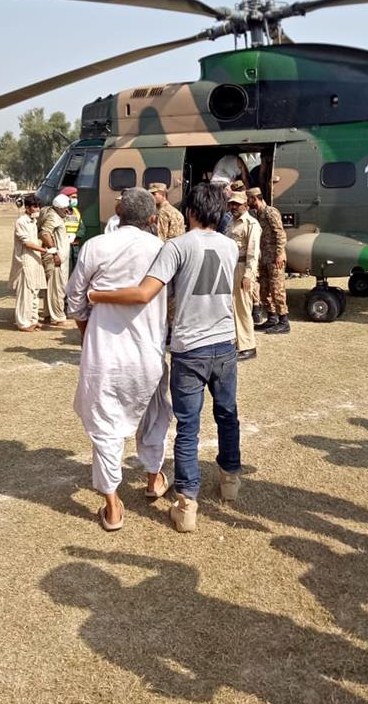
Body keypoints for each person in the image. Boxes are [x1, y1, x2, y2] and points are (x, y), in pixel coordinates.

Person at [88, 182, 241, 533]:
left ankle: (187, 504)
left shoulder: (176, 246)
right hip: (225, 343)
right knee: (227, 414)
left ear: (190, 211)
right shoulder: (230, 246)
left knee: (188, 427)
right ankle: (230, 480)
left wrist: (97, 295)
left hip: (190, 347)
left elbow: (145, 292)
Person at [66, 188, 172, 531]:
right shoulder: (161, 249)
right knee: (154, 417)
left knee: (106, 429)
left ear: (118, 212)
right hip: (148, 354)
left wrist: (86, 335)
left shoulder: (96, 246)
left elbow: (75, 301)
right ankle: (154, 480)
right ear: (152, 219)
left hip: (104, 354)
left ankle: (112, 508)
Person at [248, 187, 290, 333]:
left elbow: (280, 233)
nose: (247, 203)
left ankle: (284, 321)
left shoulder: (270, 212)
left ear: (255, 199)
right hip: (264, 258)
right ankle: (272, 318)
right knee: (264, 289)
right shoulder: (257, 214)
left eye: (249, 199)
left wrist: (280, 253)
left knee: (277, 289)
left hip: (274, 258)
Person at [225, 191, 261, 360]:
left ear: (246, 205)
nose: (233, 207)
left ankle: (248, 346)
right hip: (231, 267)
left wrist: (248, 275)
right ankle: (238, 342)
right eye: (231, 203)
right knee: (232, 306)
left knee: (243, 307)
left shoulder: (251, 224)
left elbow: (253, 253)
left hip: (241, 267)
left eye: (237, 204)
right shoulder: (231, 223)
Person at [8, 194, 47, 332]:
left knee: (35, 291)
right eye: (35, 207)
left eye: (38, 206)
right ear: (28, 207)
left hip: (35, 260)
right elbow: (27, 243)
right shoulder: (21, 222)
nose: (38, 209)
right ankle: (23, 323)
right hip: (25, 261)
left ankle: (33, 319)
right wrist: (45, 250)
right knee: (25, 293)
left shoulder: (33, 222)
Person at [38, 194, 71, 327]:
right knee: (57, 287)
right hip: (55, 259)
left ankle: (48, 315)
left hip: (58, 257)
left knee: (52, 287)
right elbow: (45, 233)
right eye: (65, 208)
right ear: (59, 208)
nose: (67, 211)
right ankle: (58, 316)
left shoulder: (55, 215)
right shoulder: (53, 216)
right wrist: (54, 253)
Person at [61, 186, 81, 270]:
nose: (75, 200)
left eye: (76, 198)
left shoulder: (76, 211)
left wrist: (77, 237)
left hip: (74, 245)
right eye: (73, 197)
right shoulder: (60, 212)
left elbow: (81, 226)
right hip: (63, 244)